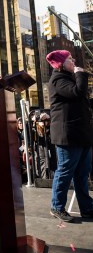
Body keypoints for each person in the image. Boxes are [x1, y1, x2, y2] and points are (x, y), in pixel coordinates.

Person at [46, 50, 93, 222]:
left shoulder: (69, 77)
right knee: (65, 171)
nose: (73, 61)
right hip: (69, 135)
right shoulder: (58, 79)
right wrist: (80, 74)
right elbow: (76, 92)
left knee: (82, 173)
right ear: (60, 63)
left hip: (81, 134)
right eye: (69, 59)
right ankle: (57, 206)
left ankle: (87, 208)